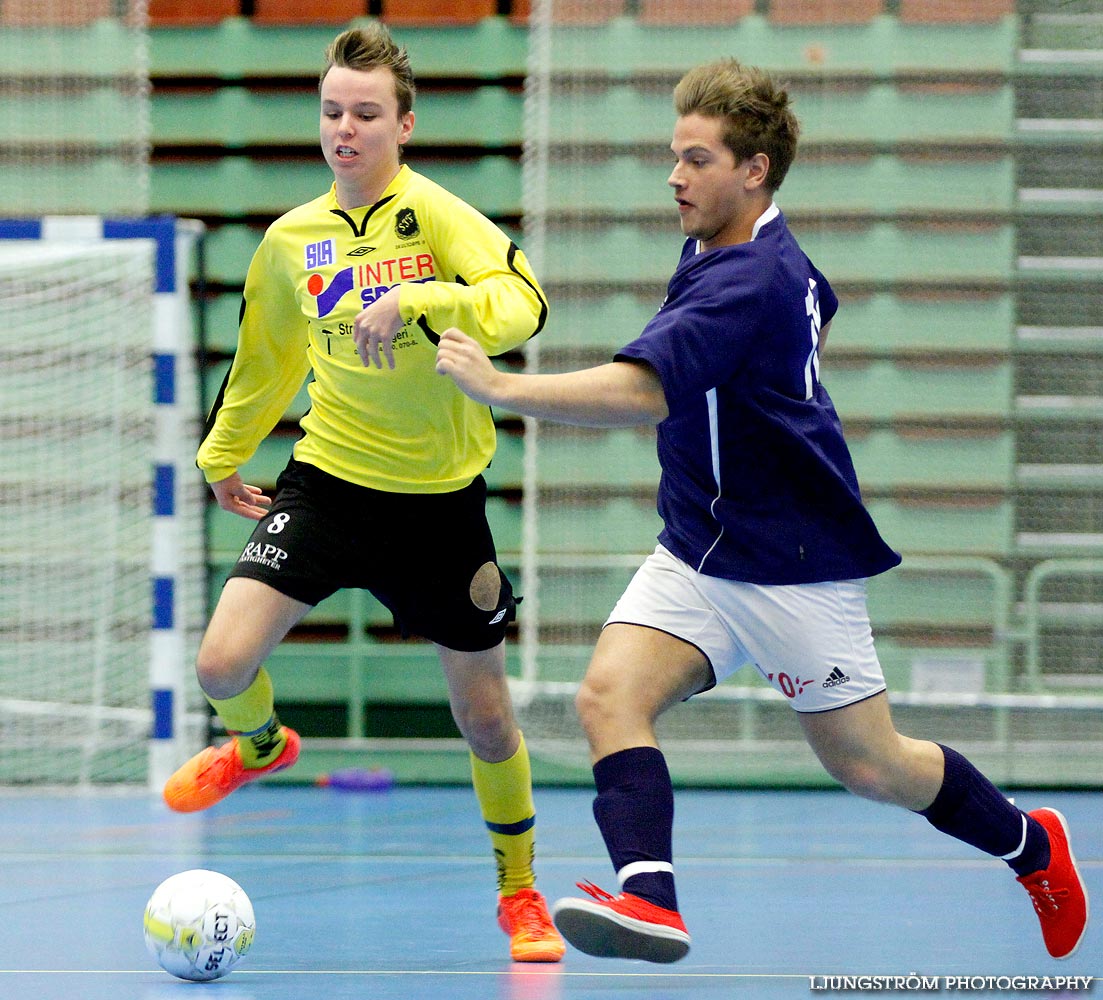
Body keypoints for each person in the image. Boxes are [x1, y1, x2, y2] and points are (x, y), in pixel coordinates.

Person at [434, 58, 1089, 964]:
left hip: (790, 562)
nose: (674, 176)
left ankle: (1031, 845)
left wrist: (496, 383)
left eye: (696, 159)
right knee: (608, 695)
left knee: (870, 765)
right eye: (675, 156)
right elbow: (823, 300)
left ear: (753, 172)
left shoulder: (747, 280)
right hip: (699, 543)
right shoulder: (732, 246)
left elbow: (639, 393)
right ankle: (651, 899)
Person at [162, 22, 565, 964]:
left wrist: (424, 298)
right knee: (220, 665)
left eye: (367, 113)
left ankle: (519, 892)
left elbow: (523, 305)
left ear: (405, 124)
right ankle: (260, 745)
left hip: (436, 506)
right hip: (330, 483)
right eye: (333, 111)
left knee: (486, 718)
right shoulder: (290, 239)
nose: (345, 128)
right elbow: (262, 361)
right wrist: (219, 459)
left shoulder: (438, 218)